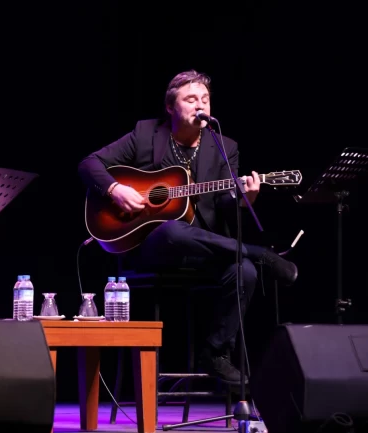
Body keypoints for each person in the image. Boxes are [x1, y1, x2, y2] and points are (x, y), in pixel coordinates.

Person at [77, 70, 298, 385]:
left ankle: (216, 353)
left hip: (203, 249)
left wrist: (242, 199)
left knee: (245, 271)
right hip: (152, 247)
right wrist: (116, 189)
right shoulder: (145, 134)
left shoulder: (225, 147)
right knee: (172, 230)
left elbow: (223, 204)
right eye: (191, 99)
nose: (200, 105)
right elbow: (89, 164)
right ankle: (259, 253)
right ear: (170, 106)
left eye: (205, 99)